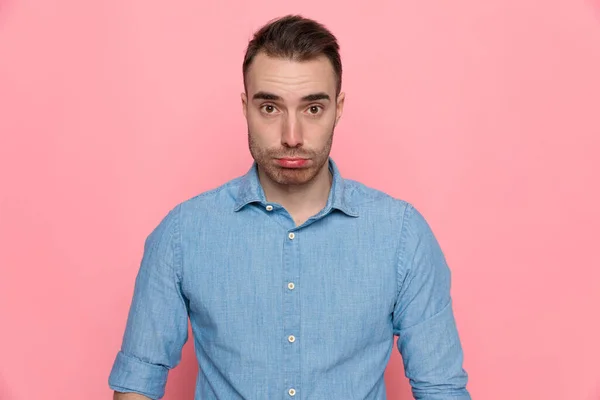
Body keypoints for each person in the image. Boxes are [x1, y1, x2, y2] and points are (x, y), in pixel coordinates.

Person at [108, 14, 471, 400]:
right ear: (246, 107)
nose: (292, 137)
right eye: (270, 108)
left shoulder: (401, 234)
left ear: (338, 107)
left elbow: (441, 388)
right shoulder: (183, 233)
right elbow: (138, 383)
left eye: (312, 109)